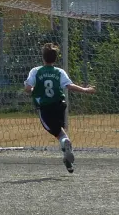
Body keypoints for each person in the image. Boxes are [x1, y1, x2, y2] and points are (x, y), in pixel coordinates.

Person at [24, 43, 96, 173]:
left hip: (45, 108)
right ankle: (67, 159)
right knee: (61, 131)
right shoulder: (59, 72)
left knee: (59, 134)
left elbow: (28, 89)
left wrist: (35, 89)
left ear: (43, 58)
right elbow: (69, 86)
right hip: (59, 105)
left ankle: (65, 144)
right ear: (55, 59)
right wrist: (85, 90)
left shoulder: (35, 71)